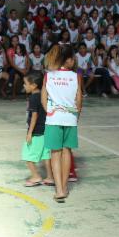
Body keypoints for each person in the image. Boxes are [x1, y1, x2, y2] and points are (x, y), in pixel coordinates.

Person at [42, 44, 82, 203]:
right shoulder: (75, 76)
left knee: (55, 153)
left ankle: (59, 189)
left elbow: (43, 97)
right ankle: (64, 187)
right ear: (69, 60)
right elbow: (79, 99)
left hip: (53, 118)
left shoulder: (49, 75)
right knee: (67, 151)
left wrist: (49, 112)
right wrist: (76, 116)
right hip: (70, 118)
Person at [21, 72, 54, 187]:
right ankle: (50, 177)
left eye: (25, 83)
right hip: (45, 130)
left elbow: (34, 116)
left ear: (34, 85)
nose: (24, 86)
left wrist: (30, 133)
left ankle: (36, 176)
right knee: (46, 156)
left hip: (37, 132)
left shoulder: (34, 97)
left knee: (27, 154)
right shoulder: (43, 95)